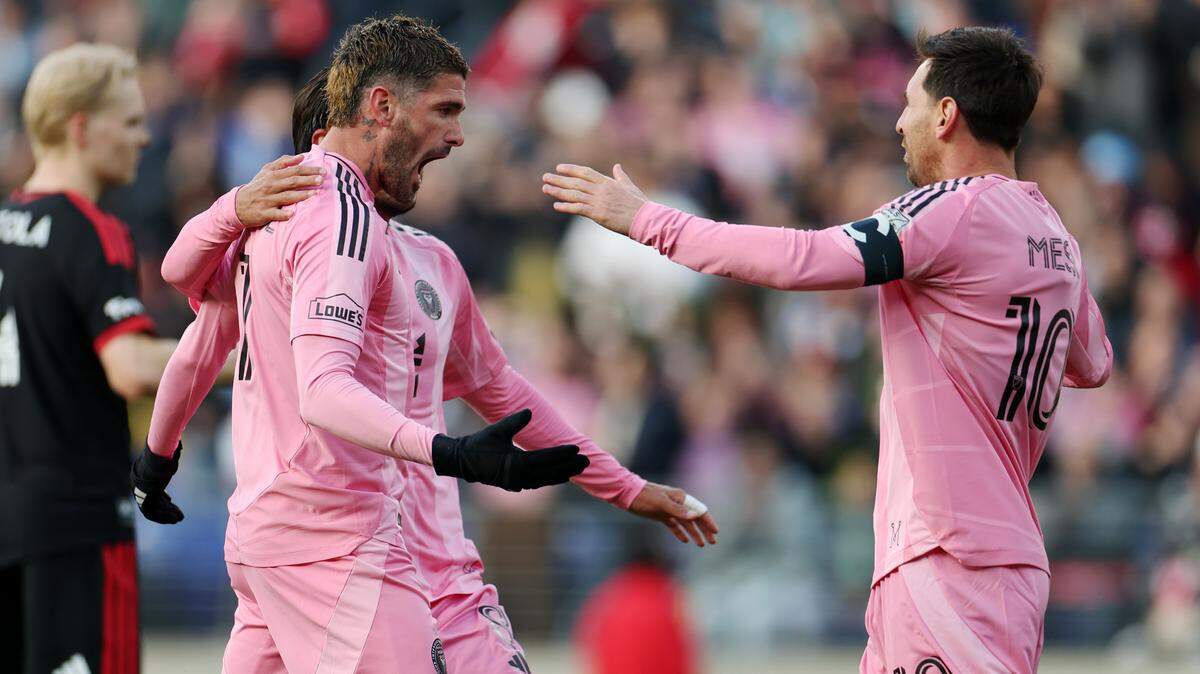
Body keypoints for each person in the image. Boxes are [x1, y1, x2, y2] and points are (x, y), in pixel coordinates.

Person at [543, 26, 1113, 674]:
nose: (901, 122)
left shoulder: (947, 212)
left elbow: (803, 257)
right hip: (1007, 557)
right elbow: (1092, 362)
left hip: (946, 558)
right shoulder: (1056, 236)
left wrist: (648, 221)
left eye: (911, 104)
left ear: (947, 115)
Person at [143, 61, 717, 673]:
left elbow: (506, 394)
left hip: (423, 574)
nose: (447, 143)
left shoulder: (431, 264)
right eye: (440, 116)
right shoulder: (295, 239)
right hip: (353, 559)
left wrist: (624, 487)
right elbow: (209, 335)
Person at [0, 43, 179, 674]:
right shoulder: (90, 228)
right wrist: (235, 352)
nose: (145, 137)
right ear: (81, 128)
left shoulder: (4, 225)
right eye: (130, 122)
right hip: (77, 523)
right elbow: (129, 365)